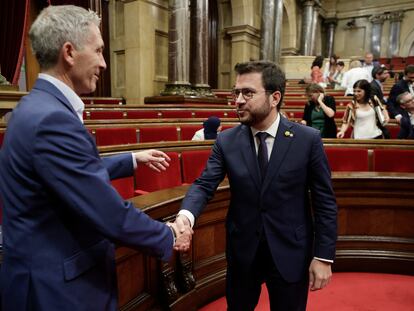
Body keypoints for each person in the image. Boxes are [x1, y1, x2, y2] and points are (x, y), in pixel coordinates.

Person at [0, 5, 191, 310]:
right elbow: (108, 212)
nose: (104, 63)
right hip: (56, 291)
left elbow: (65, 175)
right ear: (69, 52)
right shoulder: (53, 119)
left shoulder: (33, 108)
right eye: (99, 51)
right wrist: (167, 234)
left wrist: (130, 159)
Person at [174, 61, 338, 310]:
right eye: (236, 93)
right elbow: (204, 184)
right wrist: (186, 216)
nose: (238, 100)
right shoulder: (226, 141)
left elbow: (325, 201)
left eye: (248, 93)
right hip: (243, 251)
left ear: (275, 97)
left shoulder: (307, 140)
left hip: (290, 250)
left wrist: (323, 256)